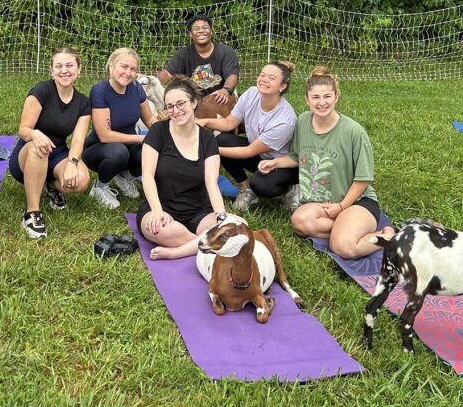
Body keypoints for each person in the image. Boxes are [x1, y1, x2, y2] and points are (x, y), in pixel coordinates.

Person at [258, 66, 393, 259]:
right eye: (316, 98)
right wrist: (275, 163)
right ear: (307, 100)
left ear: (336, 96)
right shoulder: (303, 121)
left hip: (356, 201)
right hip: (323, 203)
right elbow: (296, 156)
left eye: (327, 96)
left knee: (344, 248)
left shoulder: (354, 132)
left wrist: (341, 207)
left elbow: (363, 179)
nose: (322, 103)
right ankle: (347, 230)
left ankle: (386, 237)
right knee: (299, 221)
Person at [139, 76, 227, 259]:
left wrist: (221, 216)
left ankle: (178, 252)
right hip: (162, 207)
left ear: (194, 102)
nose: (175, 110)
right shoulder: (157, 132)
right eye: (170, 106)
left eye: (181, 104)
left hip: (199, 210)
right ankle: (210, 244)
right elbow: (147, 176)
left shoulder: (207, 138)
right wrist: (156, 210)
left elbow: (211, 182)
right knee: (158, 230)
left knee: (235, 223)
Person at [9, 47, 92, 239]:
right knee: (39, 148)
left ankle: (51, 186)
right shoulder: (42, 90)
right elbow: (23, 129)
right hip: (28, 153)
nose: (64, 70)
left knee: (81, 180)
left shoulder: (83, 102)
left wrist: (72, 163)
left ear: (79, 70)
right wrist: (35, 134)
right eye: (59, 66)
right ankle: (32, 213)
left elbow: (78, 139)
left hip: (58, 153)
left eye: (70, 65)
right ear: (52, 70)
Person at [197, 61, 298, 212]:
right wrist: (203, 121)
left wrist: (211, 150)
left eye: (271, 78)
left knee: (261, 186)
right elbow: (229, 123)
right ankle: (246, 189)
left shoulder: (285, 119)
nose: (263, 79)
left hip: (283, 163)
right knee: (222, 140)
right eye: (262, 75)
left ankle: (290, 189)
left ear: (282, 86)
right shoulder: (251, 94)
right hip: (260, 155)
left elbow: (249, 151)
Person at [83, 48, 157, 210]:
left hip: (128, 145)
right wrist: (140, 139)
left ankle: (124, 177)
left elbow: (150, 119)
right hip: (99, 149)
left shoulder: (136, 88)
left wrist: (166, 131)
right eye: (124, 67)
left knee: (151, 149)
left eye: (133, 69)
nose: (128, 73)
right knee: (119, 152)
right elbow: (105, 135)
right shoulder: (99, 91)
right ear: (111, 66)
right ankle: (100, 187)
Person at [158, 13, 240, 104]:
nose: (201, 31)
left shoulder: (226, 52)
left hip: (220, 101)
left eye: (205, 27)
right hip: (193, 104)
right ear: (190, 34)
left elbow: (232, 76)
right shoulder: (183, 54)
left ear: (211, 31)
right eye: (196, 28)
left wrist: (226, 90)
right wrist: (152, 82)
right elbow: (167, 73)